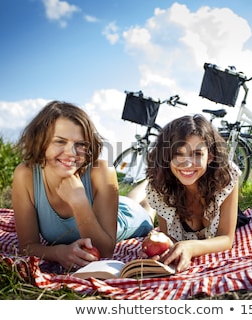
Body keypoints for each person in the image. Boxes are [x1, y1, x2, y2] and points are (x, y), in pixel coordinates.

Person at [12, 100, 155, 270]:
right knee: (130, 197)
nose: (71, 153)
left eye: (80, 144)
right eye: (60, 141)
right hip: (111, 204)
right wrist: (58, 253)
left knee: (147, 208)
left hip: (128, 218)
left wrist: (79, 202)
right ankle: (148, 183)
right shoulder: (26, 175)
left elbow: (105, 251)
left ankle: (152, 184)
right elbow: (27, 246)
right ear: (40, 142)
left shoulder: (101, 172)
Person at [145, 114, 242, 272]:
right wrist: (163, 249)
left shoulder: (227, 177)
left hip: (226, 207)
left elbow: (226, 239)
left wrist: (190, 247)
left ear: (210, 156)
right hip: (168, 183)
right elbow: (167, 236)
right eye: (179, 154)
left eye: (197, 154)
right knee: (144, 215)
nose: (188, 163)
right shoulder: (161, 189)